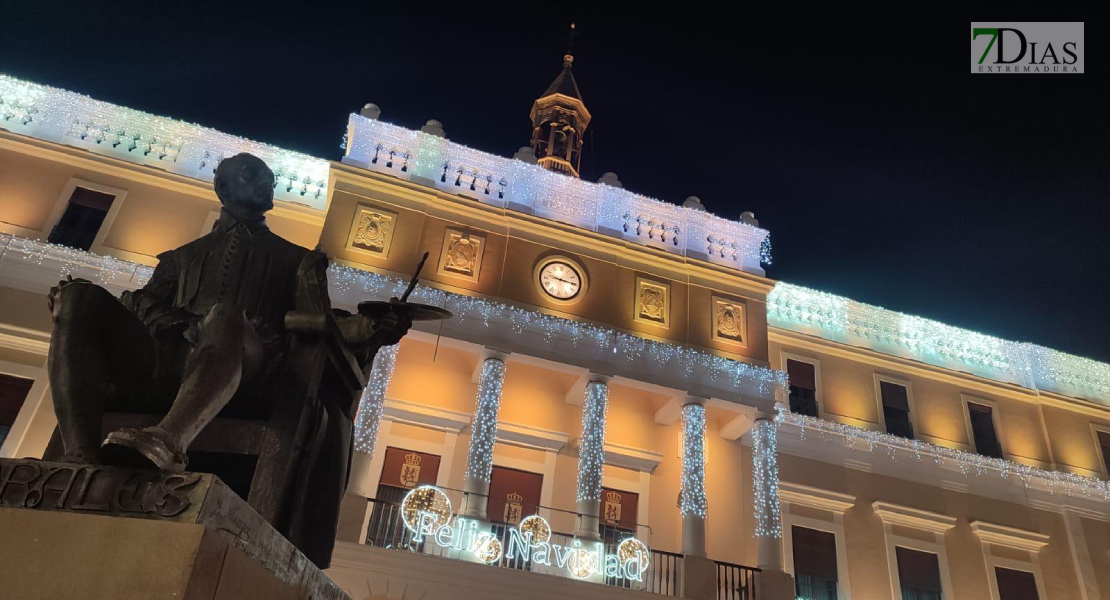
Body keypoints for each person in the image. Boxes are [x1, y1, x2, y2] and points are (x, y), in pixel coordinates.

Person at [46, 153, 411, 473]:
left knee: (225, 315)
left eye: (270, 179)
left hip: (249, 367)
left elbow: (322, 324)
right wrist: (73, 304)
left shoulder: (299, 260)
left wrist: (373, 326)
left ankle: (169, 441)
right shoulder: (180, 258)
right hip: (167, 359)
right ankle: (78, 452)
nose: (266, 181)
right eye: (252, 174)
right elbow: (143, 306)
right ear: (221, 185)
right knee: (78, 297)